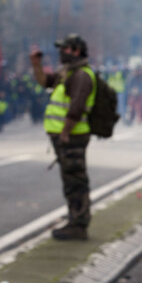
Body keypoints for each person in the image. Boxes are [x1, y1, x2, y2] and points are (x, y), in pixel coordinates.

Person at [30, 34, 96, 240]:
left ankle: (78, 224)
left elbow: (76, 108)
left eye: (65, 48)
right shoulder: (68, 73)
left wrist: (65, 133)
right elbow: (45, 81)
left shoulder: (81, 76)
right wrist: (36, 64)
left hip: (72, 139)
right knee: (71, 182)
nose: (61, 52)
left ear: (76, 51)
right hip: (67, 139)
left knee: (75, 182)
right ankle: (75, 220)